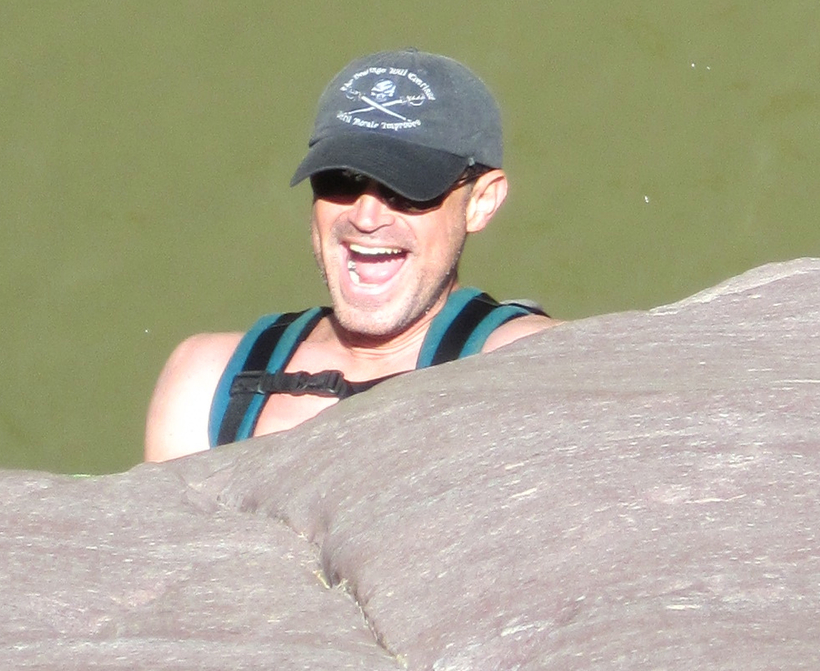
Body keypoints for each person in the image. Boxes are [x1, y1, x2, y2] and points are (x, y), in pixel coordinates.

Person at [143, 52, 549, 460]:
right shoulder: (206, 379)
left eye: (408, 188)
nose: (367, 216)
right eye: (341, 179)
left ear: (481, 202)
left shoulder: (531, 364)